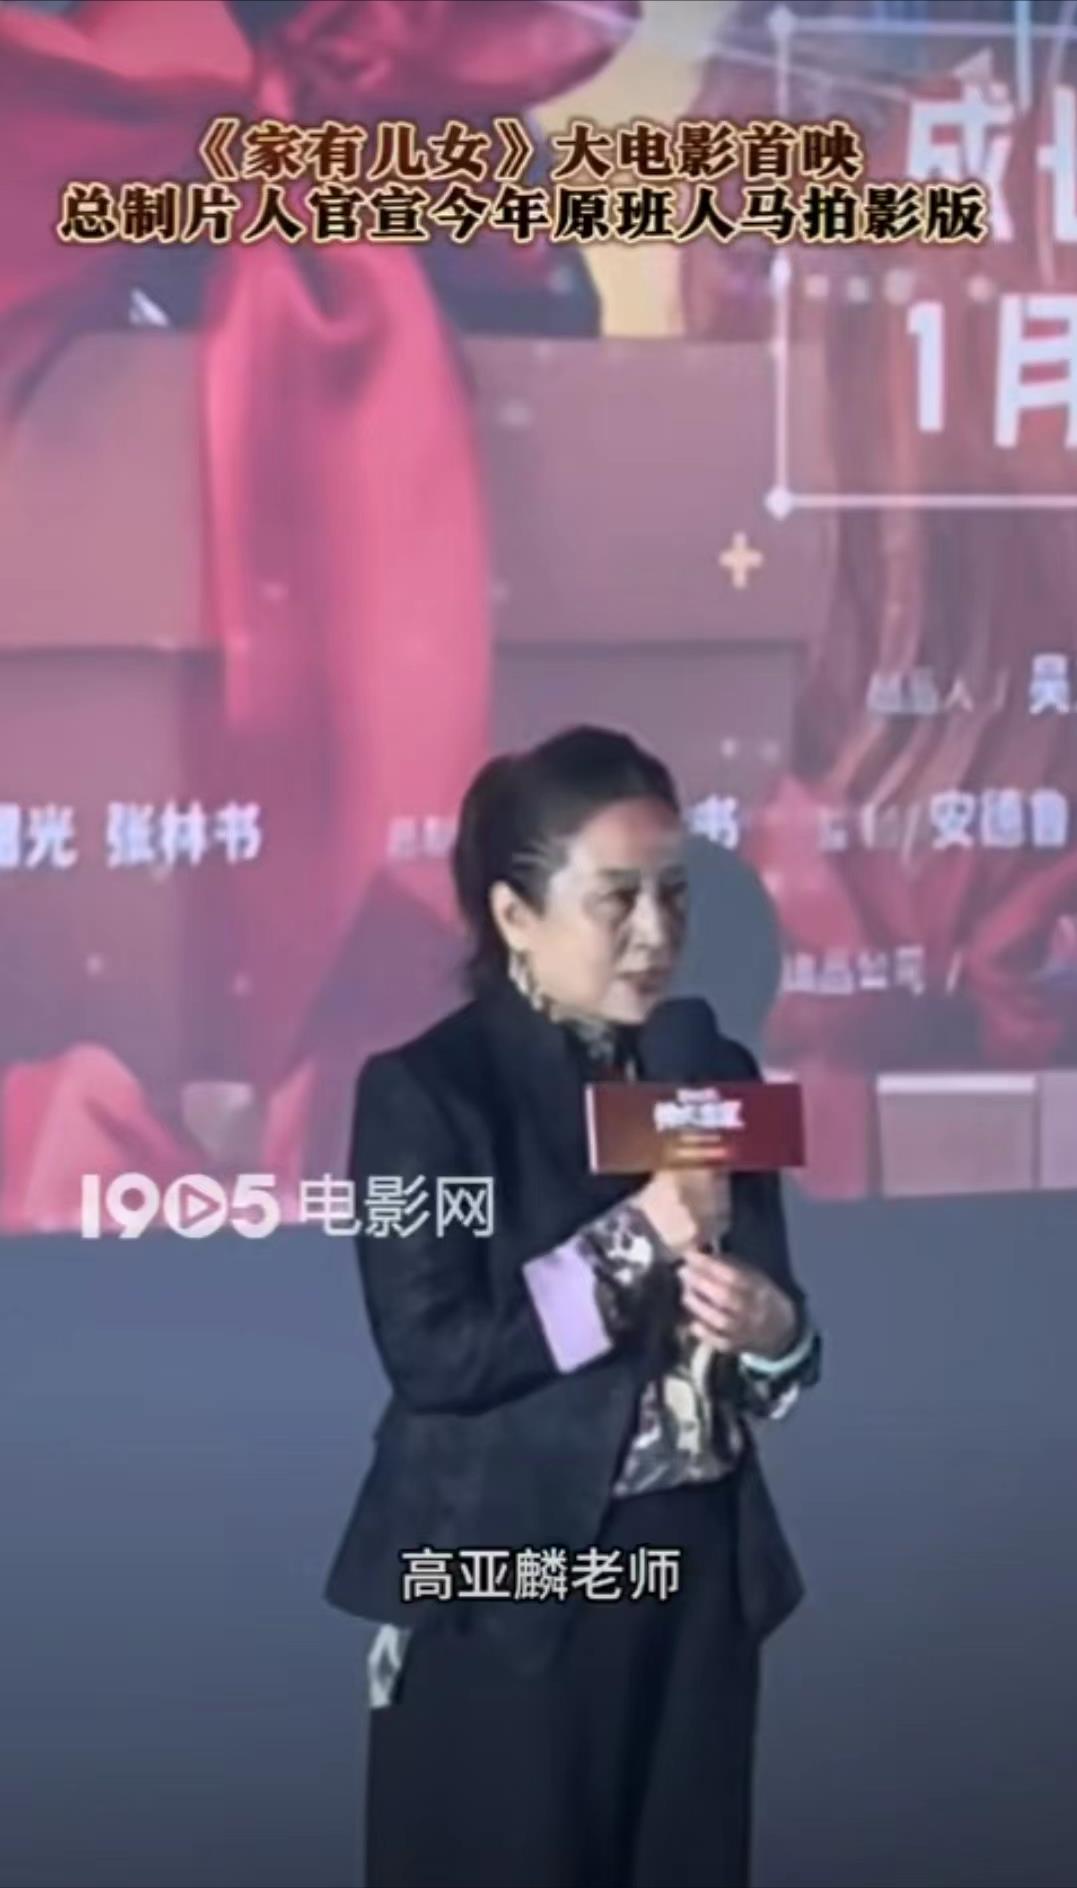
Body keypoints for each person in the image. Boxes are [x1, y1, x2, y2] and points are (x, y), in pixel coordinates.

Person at [324, 725, 821, 1888]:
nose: (657, 931)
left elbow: (780, 1328)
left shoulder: (711, 1071)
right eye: (617, 899)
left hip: (698, 1564)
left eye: (673, 893)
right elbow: (434, 1352)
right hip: (510, 1570)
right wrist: (638, 1234)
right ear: (514, 914)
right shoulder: (426, 1094)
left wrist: (775, 1335)